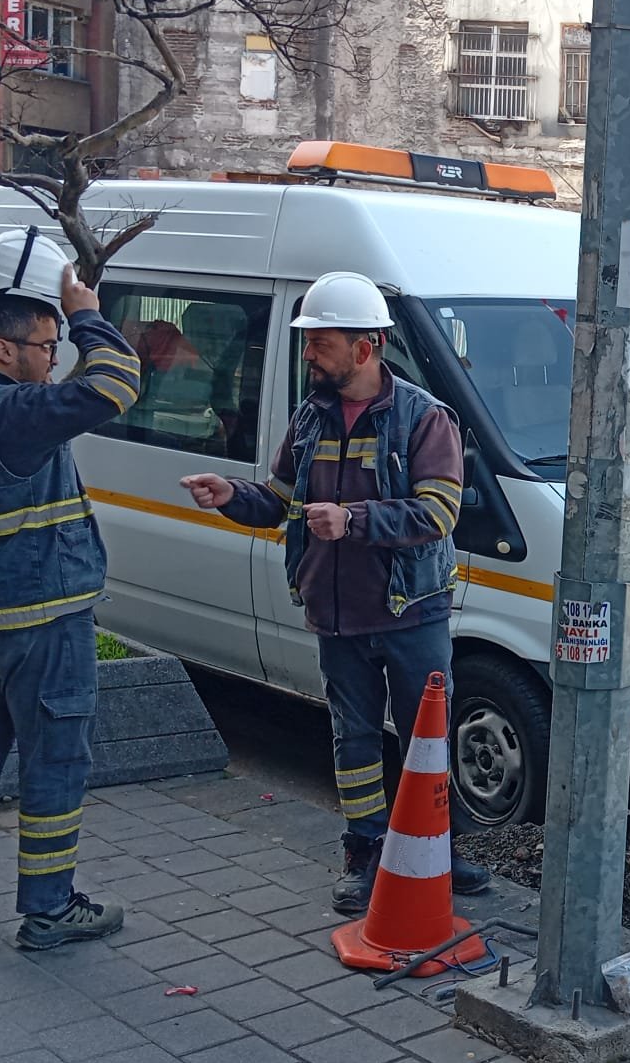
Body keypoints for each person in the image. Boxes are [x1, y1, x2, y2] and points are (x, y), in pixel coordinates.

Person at [180, 271, 490, 912]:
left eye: (322, 342)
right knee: (352, 740)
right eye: (310, 341)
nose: (309, 353)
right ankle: (366, 851)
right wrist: (233, 498)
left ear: (367, 347)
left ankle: (440, 848)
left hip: (411, 612)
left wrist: (354, 520)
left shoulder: (427, 420)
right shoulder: (310, 416)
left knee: (424, 737)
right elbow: (283, 499)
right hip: (337, 613)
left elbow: (438, 513)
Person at [0, 229, 141, 951]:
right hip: (39, 623)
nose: (54, 362)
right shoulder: (11, 414)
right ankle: (47, 909)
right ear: (3, 348)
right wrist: (86, 313)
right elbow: (115, 385)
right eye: (47, 348)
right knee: (55, 763)